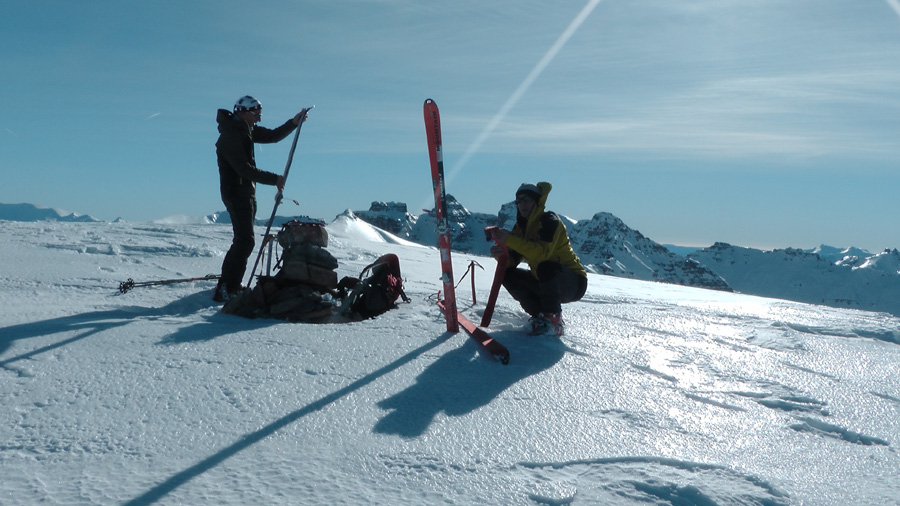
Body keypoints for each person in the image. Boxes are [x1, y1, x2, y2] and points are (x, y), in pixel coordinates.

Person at [213, 95, 309, 302]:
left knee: (244, 240)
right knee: (245, 241)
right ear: (243, 112)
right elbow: (243, 169)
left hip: (245, 192)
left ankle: (229, 283)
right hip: (236, 193)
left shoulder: (244, 129)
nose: (258, 119)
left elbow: (272, 136)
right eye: (255, 115)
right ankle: (227, 287)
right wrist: (274, 179)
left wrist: (293, 123)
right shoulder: (231, 136)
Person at [488, 182, 587, 336]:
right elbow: (513, 260)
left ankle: (553, 320)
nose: (522, 205)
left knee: (546, 266)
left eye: (526, 200)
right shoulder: (521, 227)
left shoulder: (549, 221)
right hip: (546, 280)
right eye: (518, 201)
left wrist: (510, 240)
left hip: (573, 282)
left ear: (537, 201)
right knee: (507, 274)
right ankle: (540, 315)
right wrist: (501, 255)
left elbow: (543, 253)